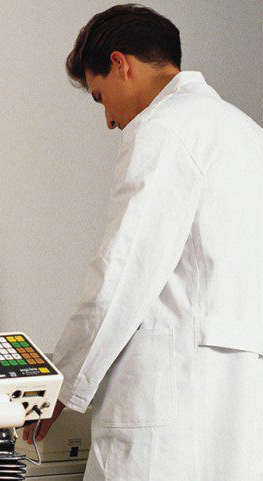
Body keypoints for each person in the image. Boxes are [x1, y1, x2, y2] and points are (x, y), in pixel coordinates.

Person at [22, 4, 263, 480]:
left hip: (166, 399)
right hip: (239, 399)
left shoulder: (163, 128)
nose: (109, 120)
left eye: (100, 97)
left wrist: (59, 387)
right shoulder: (245, 133)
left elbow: (122, 274)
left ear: (120, 64)